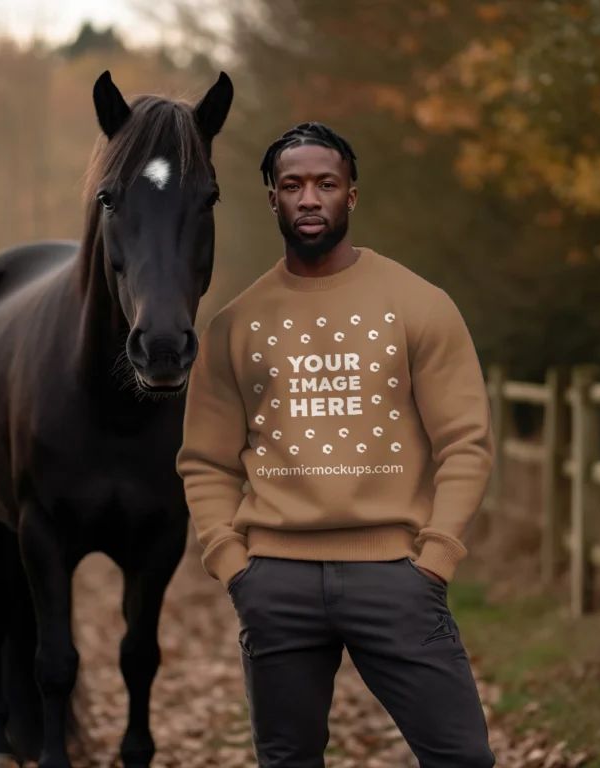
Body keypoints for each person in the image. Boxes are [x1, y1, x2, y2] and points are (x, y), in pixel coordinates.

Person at [176, 122, 496, 768]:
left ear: (352, 195)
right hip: (276, 583)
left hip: (397, 577)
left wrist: (435, 558)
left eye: (326, 183)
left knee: (464, 759)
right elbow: (205, 461)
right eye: (292, 186)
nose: (310, 198)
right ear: (272, 197)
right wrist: (233, 564)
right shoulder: (236, 324)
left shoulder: (418, 305)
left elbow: (465, 442)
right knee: (288, 760)